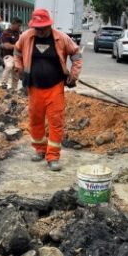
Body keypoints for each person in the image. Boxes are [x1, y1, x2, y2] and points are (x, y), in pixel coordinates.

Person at [14, 9, 83, 171]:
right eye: (37, 28)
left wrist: (73, 74)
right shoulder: (26, 37)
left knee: (55, 122)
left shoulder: (61, 38)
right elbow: (16, 51)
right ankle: (40, 150)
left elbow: (76, 54)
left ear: (49, 25)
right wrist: (19, 67)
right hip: (34, 87)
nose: (40, 31)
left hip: (55, 87)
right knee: (35, 120)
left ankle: (52, 156)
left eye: (43, 28)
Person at [0, 17, 22, 91]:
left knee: (16, 75)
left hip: (18, 56)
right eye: (18, 25)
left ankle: (14, 90)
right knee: (9, 66)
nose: (19, 27)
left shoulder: (19, 33)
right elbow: (7, 46)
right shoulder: (6, 33)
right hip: (8, 55)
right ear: (13, 24)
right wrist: (18, 46)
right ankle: (3, 84)